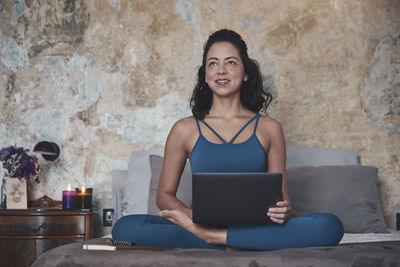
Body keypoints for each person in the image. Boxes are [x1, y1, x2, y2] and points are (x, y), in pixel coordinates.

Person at [112, 29, 344, 250]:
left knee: (329, 225)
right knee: (125, 227)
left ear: (245, 74)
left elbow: (280, 195)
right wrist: (194, 219)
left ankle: (213, 239)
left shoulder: (269, 128)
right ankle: (239, 242)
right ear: (205, 74)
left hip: (256, 226)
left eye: (230, 62)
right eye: (213, 63)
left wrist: (283, 208)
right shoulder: (184, 129)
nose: (221, 70)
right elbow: (164, 196)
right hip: (201, 224)